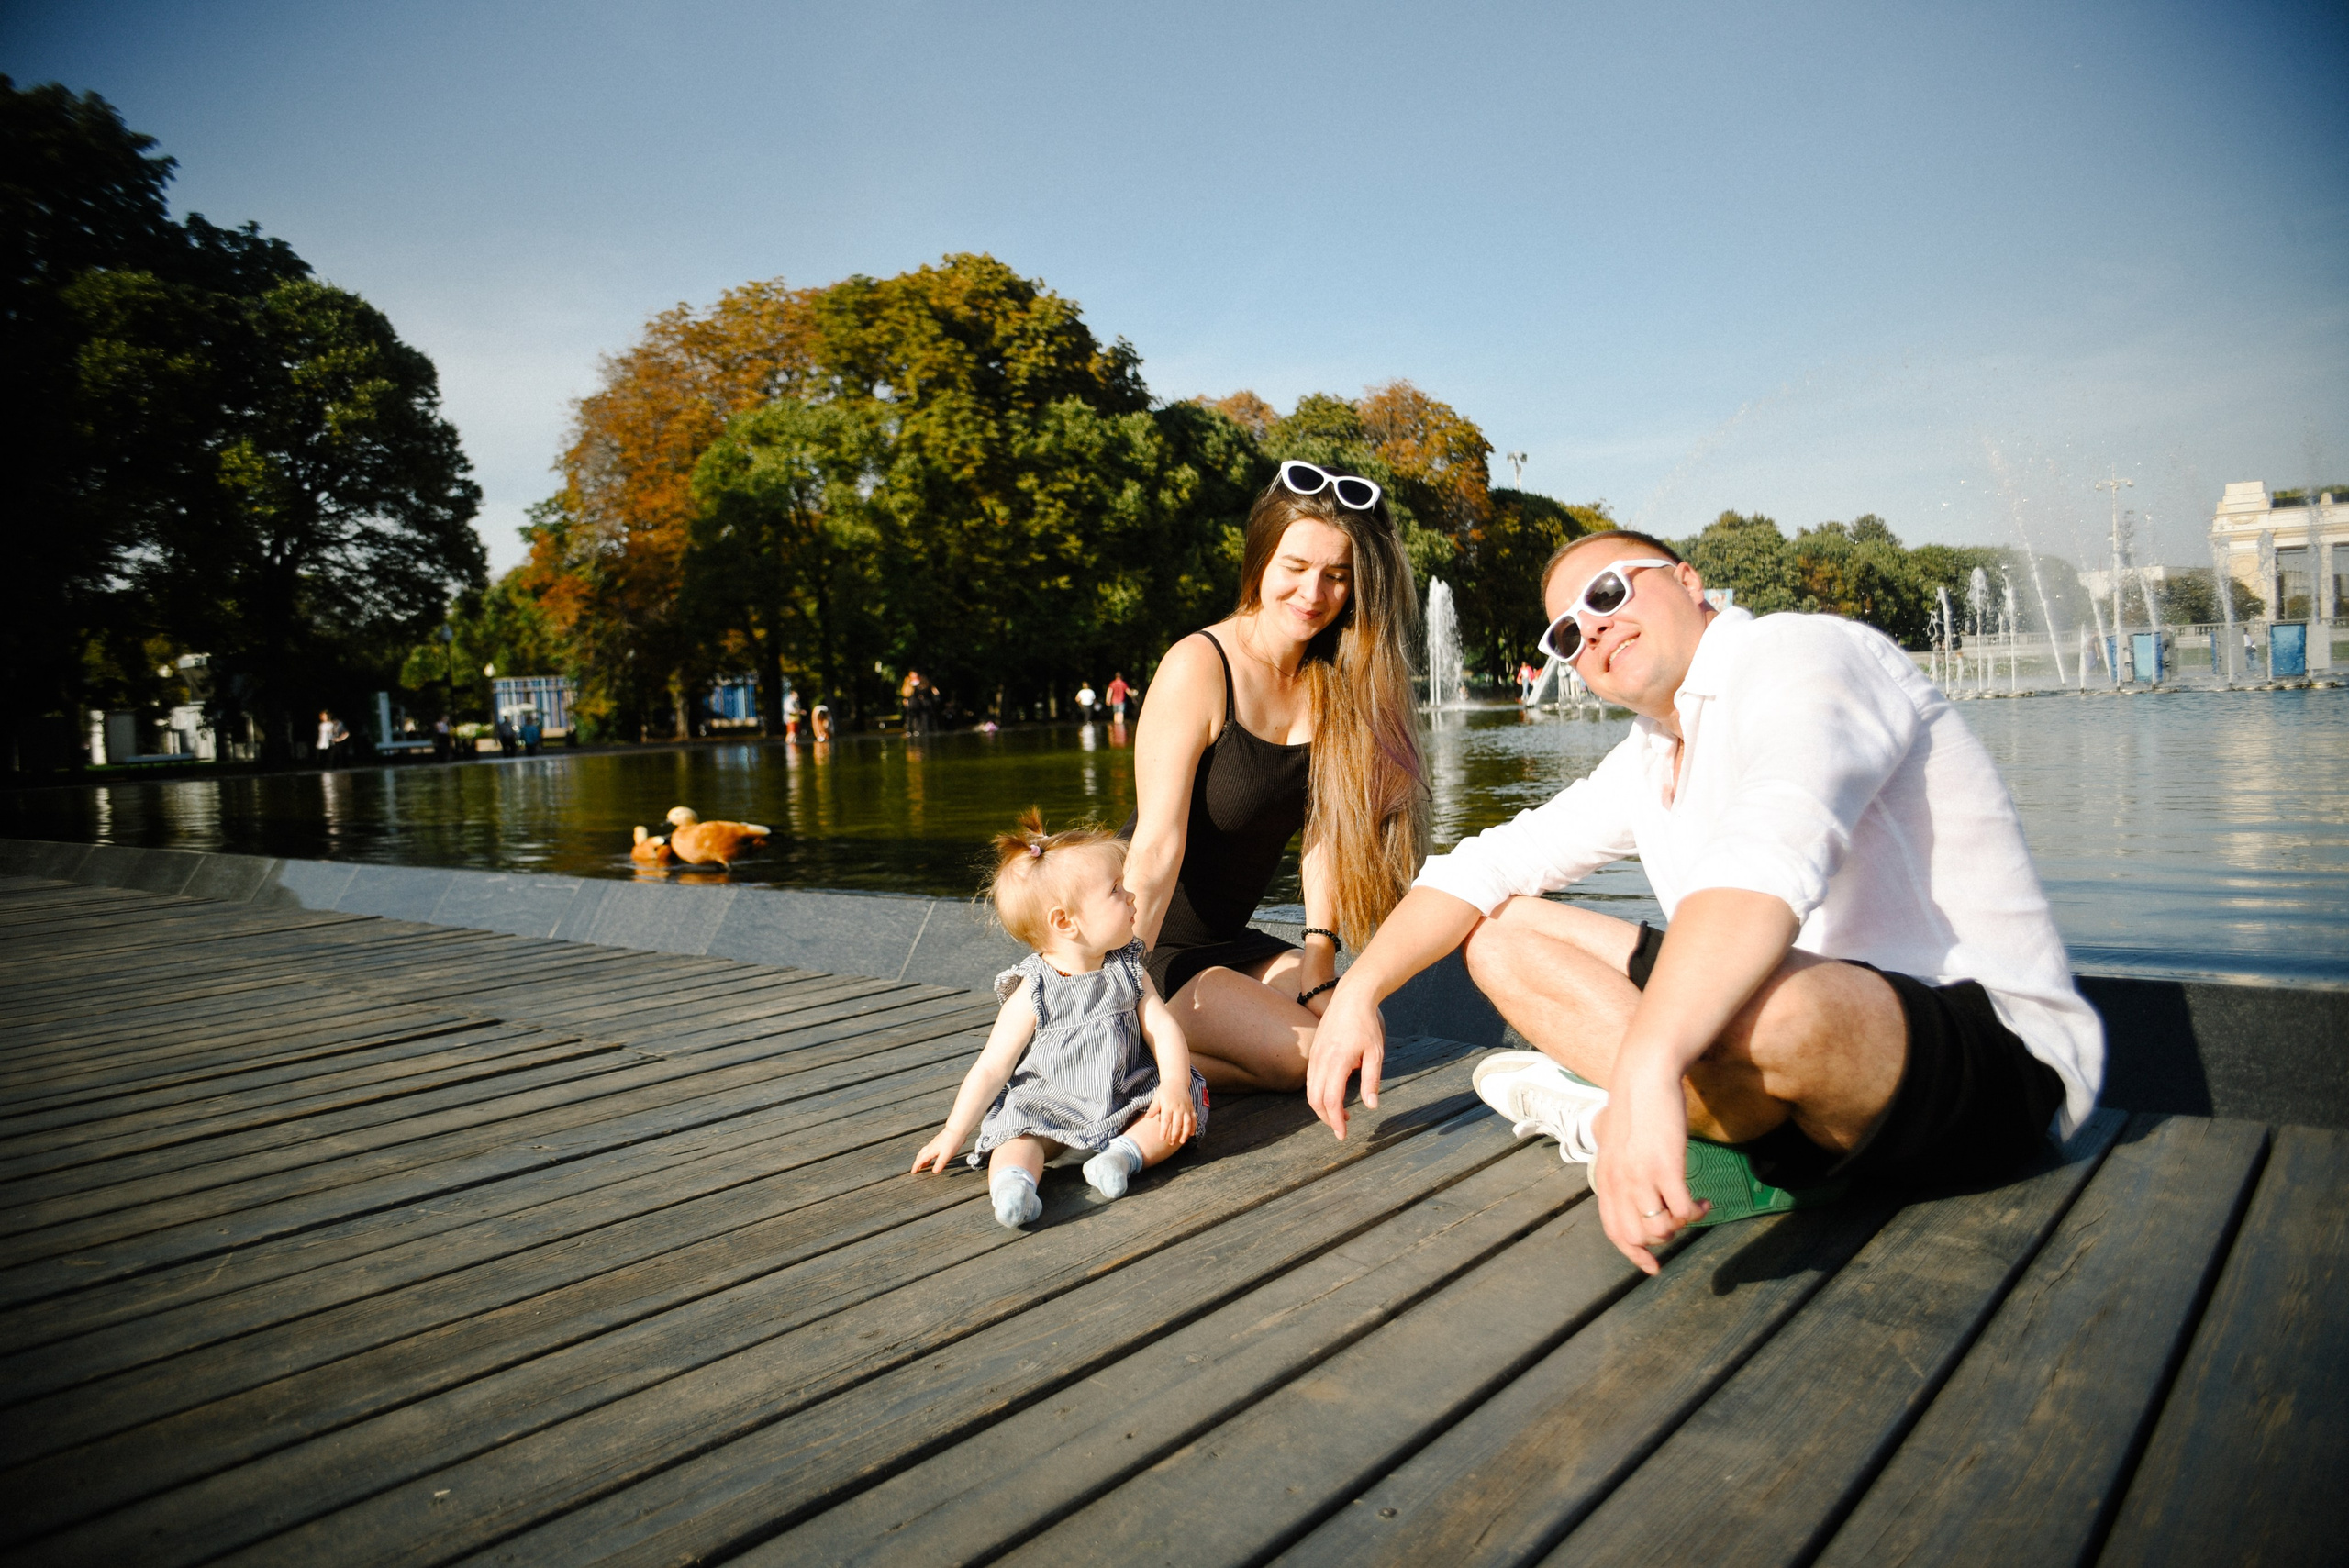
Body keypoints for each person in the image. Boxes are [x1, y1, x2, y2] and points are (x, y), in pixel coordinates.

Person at [1307, 529, 2104, 1275]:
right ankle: (1657, 1117)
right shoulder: (1651, 752)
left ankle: (1626, 1108)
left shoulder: (1799, 654)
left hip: (1986, 1054)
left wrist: (1651, 1062)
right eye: (1566, 635)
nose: (1593, 629)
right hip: (1773, 1020)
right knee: (1495, 933)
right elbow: (1485, 862)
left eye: (1610, 592)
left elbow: (1772, 844)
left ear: (1688, 581)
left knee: (1775, 1010)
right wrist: (1360, 989)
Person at [1124, 461, 1427, 1094]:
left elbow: (1323, 835)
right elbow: (1156, 846)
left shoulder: (1335, 682)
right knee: (1312, 1055)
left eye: (1337, 576)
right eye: (1294, 568)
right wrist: (1117, 985)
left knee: (1351, 1024)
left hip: (1234, 946)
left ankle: (1162, 1065)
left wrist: (1318, 957)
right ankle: (1139, 1049)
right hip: (1153, 947)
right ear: (1261, 559)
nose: (1313, 594)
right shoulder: (1199, 664)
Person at [911, 809, 1206, 1228]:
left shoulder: (1127, 967)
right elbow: (992, 1068)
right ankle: (1014, 1187)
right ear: (1065, 922)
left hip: (1124, 1097)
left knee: (1179, 1110)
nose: (1132, 897)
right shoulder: (1033, 987)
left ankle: (1121, 1158)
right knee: (1018, 1136)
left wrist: (1174, 1085)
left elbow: (1161, 1026)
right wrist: (953, 1132)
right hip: (1049, 1106)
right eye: (1116, 890)